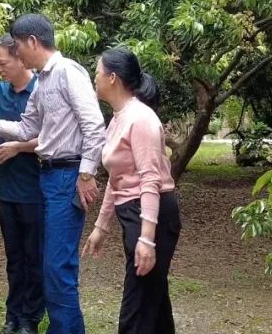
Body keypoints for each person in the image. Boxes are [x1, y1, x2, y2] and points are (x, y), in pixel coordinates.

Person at [0, 14, 106, 334]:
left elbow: (94, 125)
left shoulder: (67, 72)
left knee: (56, 269)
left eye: (18, 47)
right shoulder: (43, 82)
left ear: (33, 42)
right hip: (49, 178)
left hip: (67, 176)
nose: (16, 54)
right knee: (54, 268)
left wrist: (86, 173)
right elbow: (25, 129)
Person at [83, 47, 180, 334]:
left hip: (153, 217)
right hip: (134, 215)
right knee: (154, 303)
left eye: (97, 73)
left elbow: (150, 181)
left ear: (112, 78)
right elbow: (118, 179)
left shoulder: (142, 120)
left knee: (136, 311)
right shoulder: (118, 118)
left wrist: (147, 239)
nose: (95, 79)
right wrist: (101, 226)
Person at [0, 34, 45, 334]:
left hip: (37, 191)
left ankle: (31, 318)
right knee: (14, 259)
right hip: (8, 193)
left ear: (20, 58)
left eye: (3, 62)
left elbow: (56, 137)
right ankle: (13, 316)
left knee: (34, 259)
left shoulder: (41, 90)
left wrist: (18, 147)